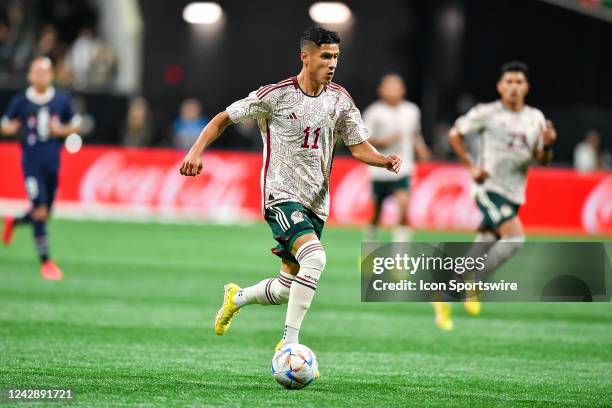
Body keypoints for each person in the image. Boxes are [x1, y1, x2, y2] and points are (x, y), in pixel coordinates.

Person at [179, 27, 401, 359]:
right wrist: (196, 150)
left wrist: (383, 160)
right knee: (316, 258)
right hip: (280, 196)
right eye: (325, 56)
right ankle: (289, 342)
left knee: (286, 288)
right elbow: (223, 118)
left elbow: (357, 147)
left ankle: (236, 298)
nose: (332, 63)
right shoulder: (276, 95)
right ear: (306, 57)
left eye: (336, 57)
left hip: (316, 202)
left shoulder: (340, 99)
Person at [434, 61, 557, 330]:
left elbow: (542, 159)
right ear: (500, 87)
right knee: (515, 238)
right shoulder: (486, 113)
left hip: (514, 192)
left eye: (519, 82)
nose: (514, 87)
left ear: (527, 87)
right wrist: (471, 166)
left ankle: (444, 296)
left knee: (483, 244)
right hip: (489, 187)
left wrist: (547, 146)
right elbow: (455, 134)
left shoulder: (535, 118)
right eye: (509, 82)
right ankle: (474, 281)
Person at [1, 57, 81, 280]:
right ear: (29, 75)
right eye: (36, 72)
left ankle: (14, 221)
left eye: (45, 72)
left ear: (51, 75)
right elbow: (5, 124)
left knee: (45, 214)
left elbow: (76, 124)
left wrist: (61, 130)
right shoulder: (21, 101)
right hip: (31, 162)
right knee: (39, 210)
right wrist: (11, 128)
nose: (41, 76)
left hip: (52, 163)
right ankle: (46, 263)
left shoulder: (61, 100)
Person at [362, 73, 430, 242]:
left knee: (403, 208)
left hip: (403, 168)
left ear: (403, 90)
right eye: (389, 86)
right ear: (381, 90)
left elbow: (414, 134)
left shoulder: (412, 111)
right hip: (379, 169)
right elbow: (364, 140)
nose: (393, 90)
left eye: (396, 86)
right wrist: (384, 141)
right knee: (376, 213)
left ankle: (400, 256)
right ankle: (371, 237)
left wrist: (421, 148)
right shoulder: (374, 112)